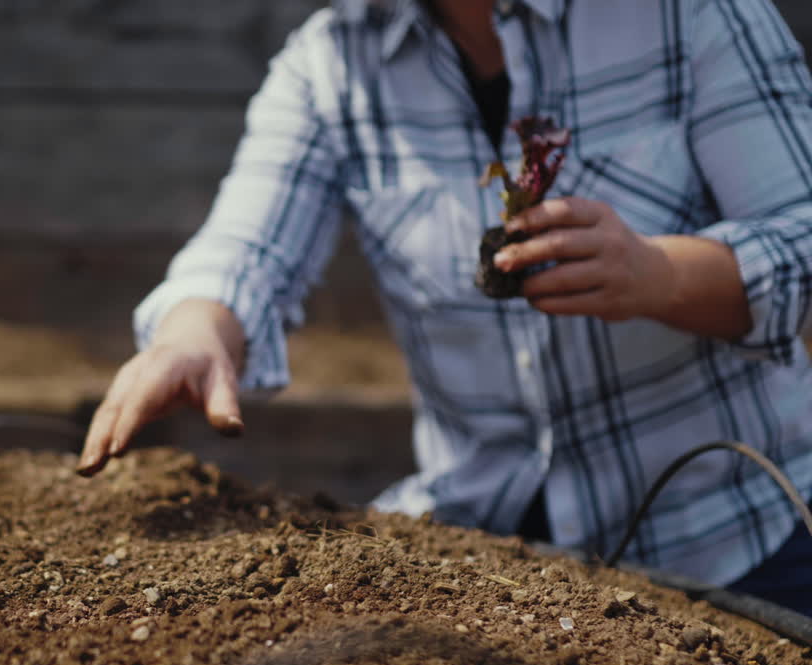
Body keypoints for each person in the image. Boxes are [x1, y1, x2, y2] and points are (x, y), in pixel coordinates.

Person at [77, 0, 812, 616]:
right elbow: (244, 252)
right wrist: (193, 334)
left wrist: (661, 275)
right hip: (485, 551)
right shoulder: (334, 62)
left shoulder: (685, 16)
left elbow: (802, 239)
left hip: (733, 541)